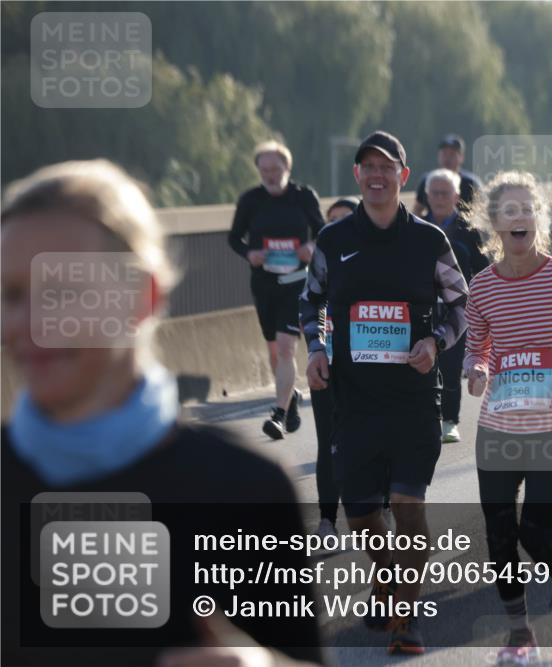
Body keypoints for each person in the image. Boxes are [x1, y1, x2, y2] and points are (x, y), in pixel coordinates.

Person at [1, 160, 323, 666]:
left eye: (60, 290)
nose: (26, 323)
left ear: (141, 297)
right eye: (11, 295)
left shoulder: (243, 491)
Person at [300, 130, 469, 654]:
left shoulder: (428, 240)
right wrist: (317, 348)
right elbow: (312, 304)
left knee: (407, 503)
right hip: (355, 399)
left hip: (415, 397)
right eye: (366, 167)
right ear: (357, 176)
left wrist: (436, 341)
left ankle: (406, 616)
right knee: (363, 516)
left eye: (386, 166)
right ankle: (391, 576)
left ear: (402, 173)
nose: (376, 175)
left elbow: (461, 302)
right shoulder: (334, 241)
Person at [464, 171, 552, 663]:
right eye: (508, 211)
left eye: (527, 209)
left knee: (535, 534)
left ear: (539, 219)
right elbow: (477, 344)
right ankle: (519, 634)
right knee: (500, 535)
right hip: (498, 426)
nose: (518, 217)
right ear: (493, 224)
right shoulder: (481, 286)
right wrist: (477, 368)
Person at [228, 141, 324, 440]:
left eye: (275, 168)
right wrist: (249, 254)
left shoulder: (303, 196)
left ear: (288, 168)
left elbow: (322, 230)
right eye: (264, 170)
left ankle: (278, 414)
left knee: (285, 347)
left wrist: (311, 246)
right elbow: (234, 238)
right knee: (273, 349)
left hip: (296, 282)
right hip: (264, 283)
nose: (270, 175)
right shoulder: (250, 200)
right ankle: (290, 395)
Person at [424, 168, 490, 444]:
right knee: (424, 364)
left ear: (455, 196)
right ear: (427, 196)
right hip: (424, 309)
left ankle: (450, 420)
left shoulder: (469, 231)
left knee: (451, 365)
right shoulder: (416, 227)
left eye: (445, 193)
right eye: (435, 193)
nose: (439, 198)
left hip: (457, 309)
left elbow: (482, 269)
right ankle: (426, 418)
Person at [308, 196, 360, 540]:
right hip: (329, 362)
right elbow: (310, 303)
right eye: (332, 220)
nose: (336, 226)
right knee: (328, 442)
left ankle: (377, 509)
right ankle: (327, 519)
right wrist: (318, 348)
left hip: (372, 366)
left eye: (345, 219)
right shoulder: (324, 256)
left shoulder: (379, 256)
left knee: (372, 439)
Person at [413, 133, 483, 218]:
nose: (447, 158)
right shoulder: (428, 181)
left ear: (461, 157)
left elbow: (482, 212)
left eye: (452, 154)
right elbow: (417, 210)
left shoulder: (471, 183)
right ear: (438, 156)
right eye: (444, 154)